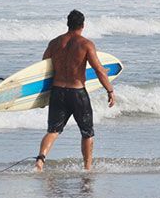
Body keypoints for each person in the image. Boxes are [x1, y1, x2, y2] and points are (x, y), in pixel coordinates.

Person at [35, 10, 116, 172]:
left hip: (57, 92)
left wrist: (42, 96)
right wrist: (110, 90)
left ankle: (40, 161)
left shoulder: (54, 43)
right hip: (77, 93)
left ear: (68, 24)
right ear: (83, 25)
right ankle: (87, 167)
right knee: (87, 133)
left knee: (53, 130)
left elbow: (44, 69)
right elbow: (98, 70)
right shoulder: (86, 44)